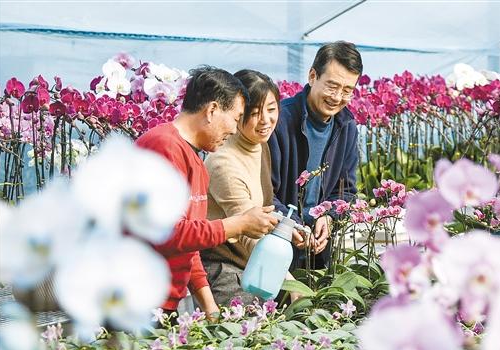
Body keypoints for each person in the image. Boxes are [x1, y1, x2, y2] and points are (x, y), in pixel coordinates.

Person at [136, 66, 278, 318]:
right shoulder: (163, 146)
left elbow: (189, 247)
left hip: (163, 304)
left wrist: (210, 307)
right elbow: (167, 232)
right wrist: (240, 224)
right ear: (212, 110)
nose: (235, 130)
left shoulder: (197, 163)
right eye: (236, 118)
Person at [201, 70, 306, 306]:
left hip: (254, 262)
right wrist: (288, 282)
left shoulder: (259, 145)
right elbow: (249, 231)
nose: (266, 120)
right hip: (224, 268)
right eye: (254, 113)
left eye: (271, 109)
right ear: (237, 114)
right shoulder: (223, 163)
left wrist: (287, 227)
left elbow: (263, 209)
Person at [269, 41, 362, 268]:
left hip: (320, 248)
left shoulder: (347, 127)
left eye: (347, 90)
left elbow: (347, 192)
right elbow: (263, 192)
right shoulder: (279, 121)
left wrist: (328, 217)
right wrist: (293, 225)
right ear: (312, 76)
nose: (338, 97)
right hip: (276, 241)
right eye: (332, 86)